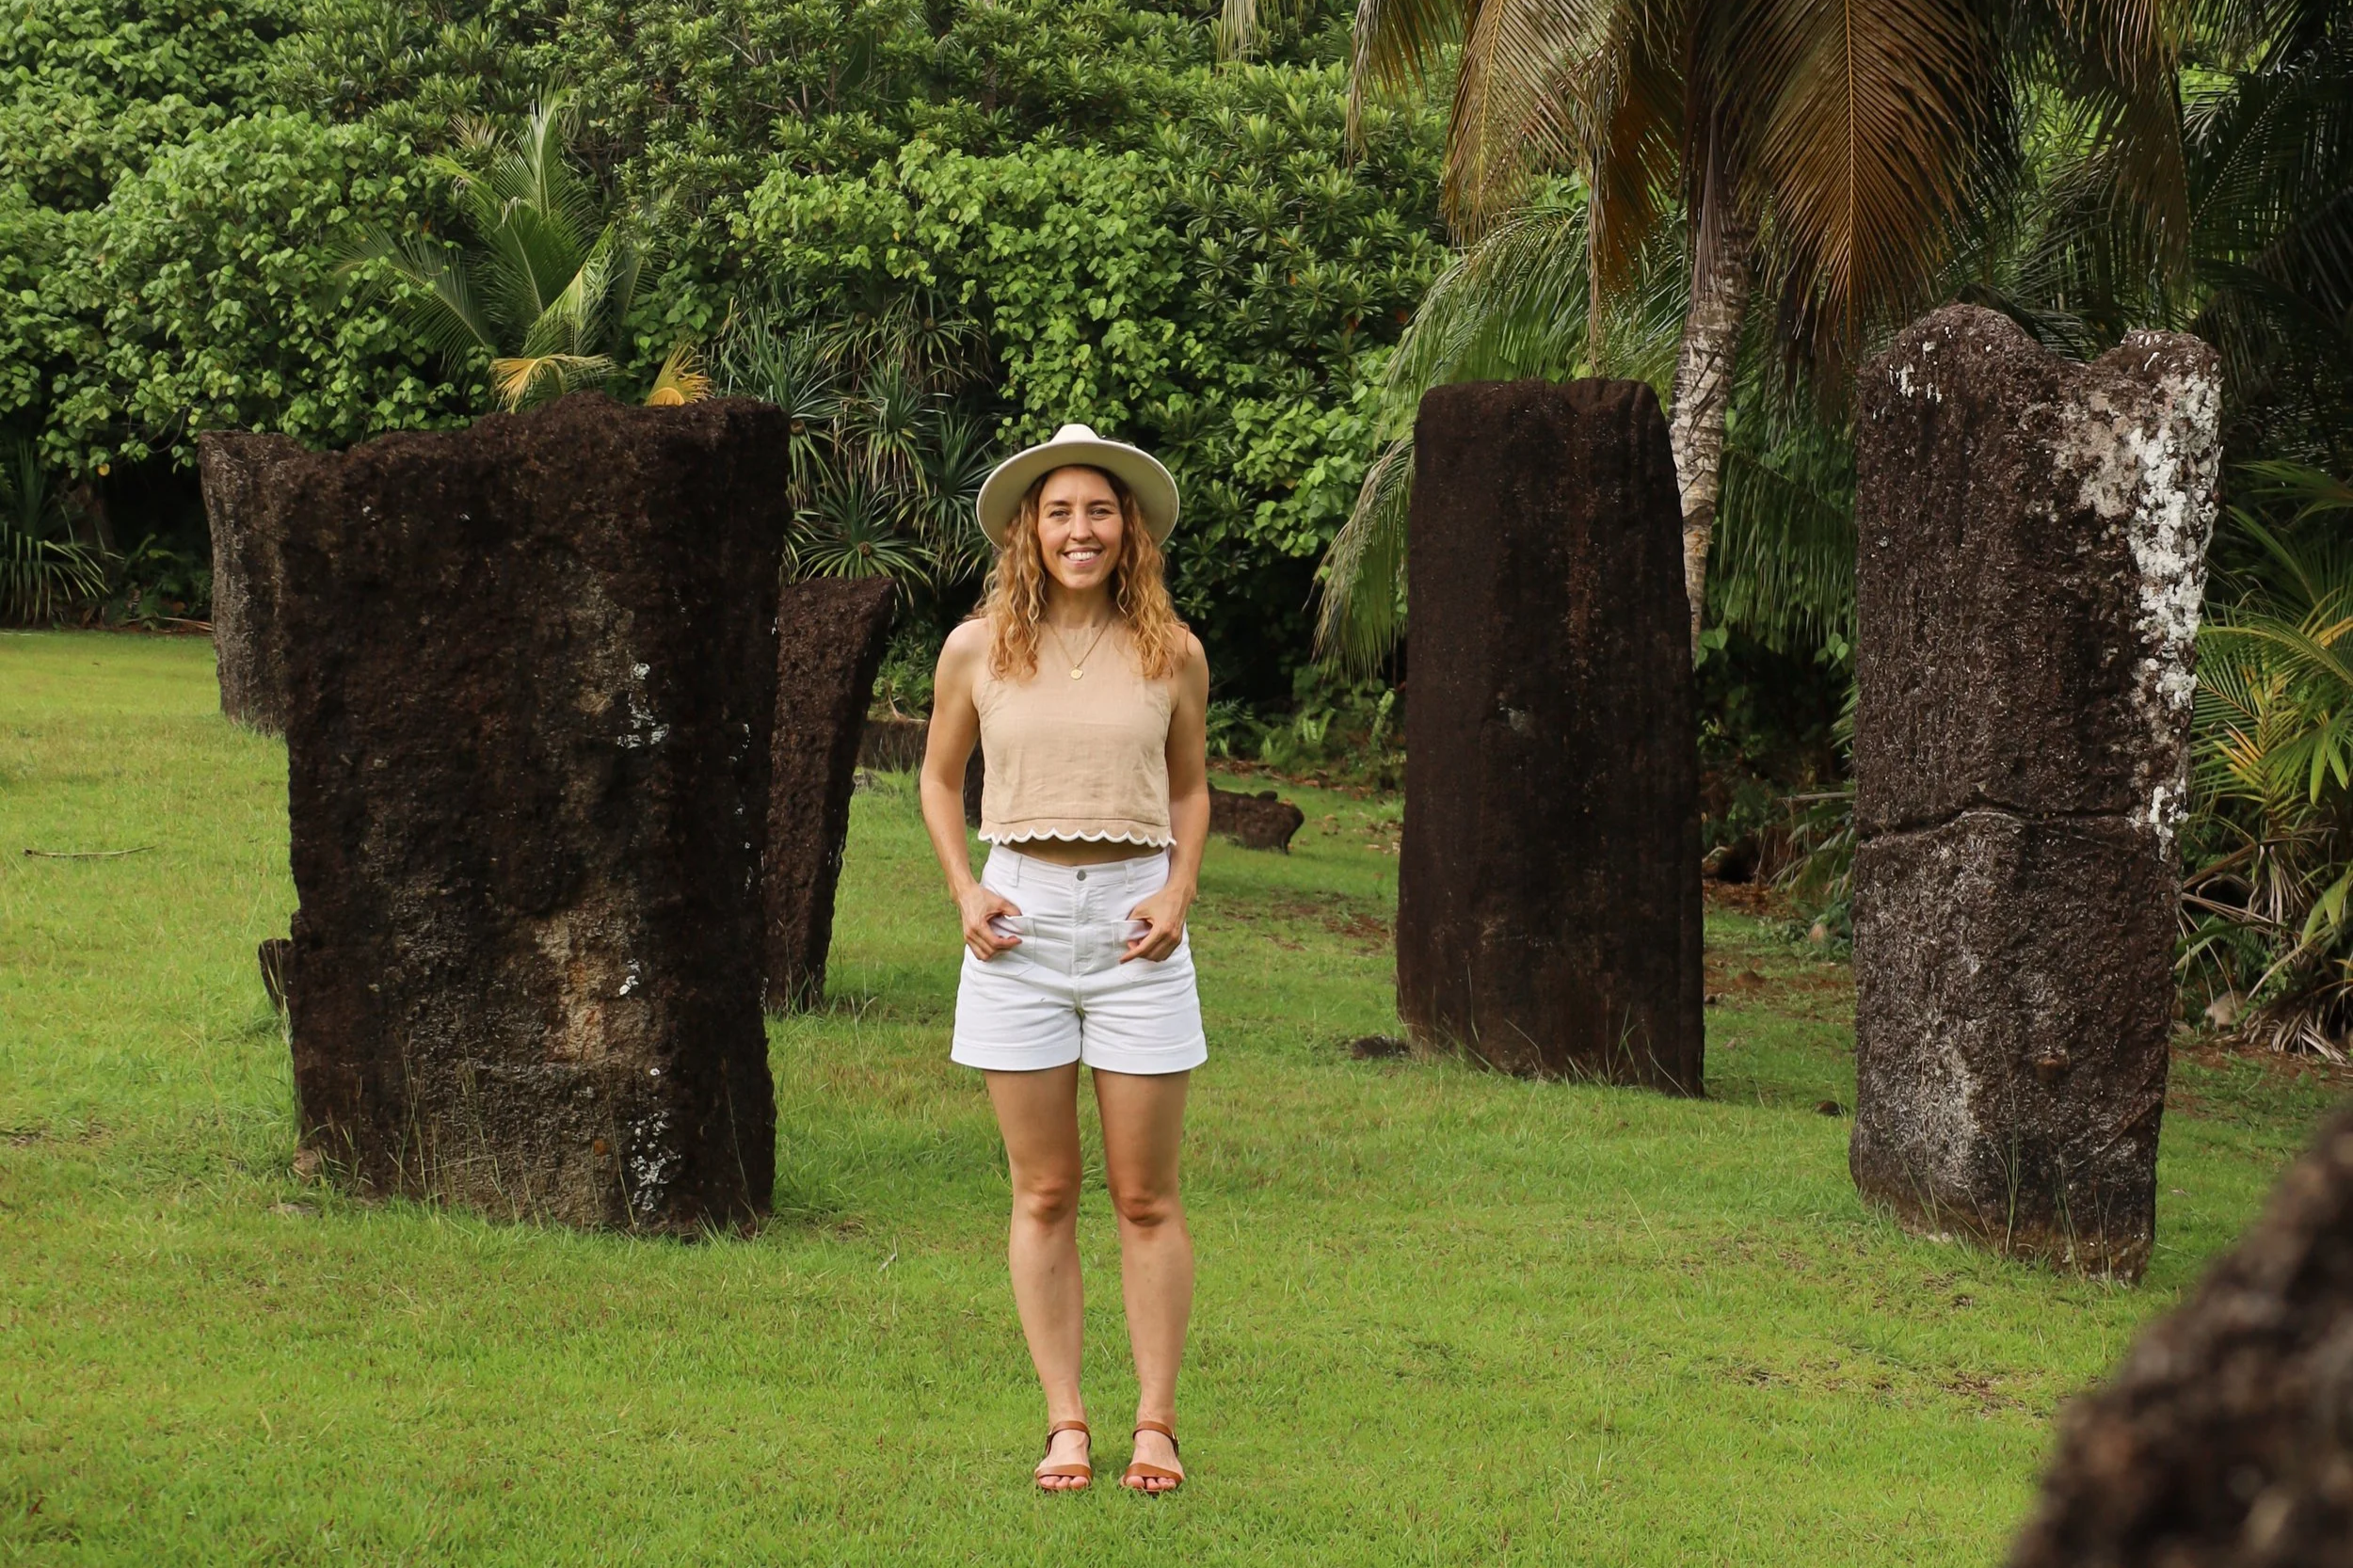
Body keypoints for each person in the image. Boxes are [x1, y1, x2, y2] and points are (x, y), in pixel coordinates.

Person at [919, 424, 1210, 1495]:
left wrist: (1179, 887)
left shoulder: (1169, 649)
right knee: (1043, 1191)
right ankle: (1066, 1423)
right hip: (1019, 922)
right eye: (1059, 513)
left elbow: (1188, 787)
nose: (1079, 530)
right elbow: (940, 780)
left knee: (1145, 1195)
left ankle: (1155, 1424)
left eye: (1098, 511)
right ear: (1027, 532)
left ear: (1126, 527)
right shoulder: (976, 646)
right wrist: (964, 889)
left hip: (1139, 923)